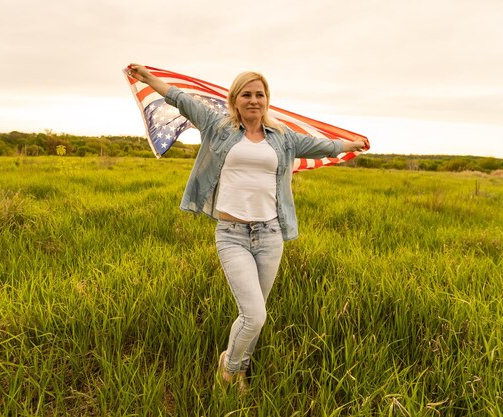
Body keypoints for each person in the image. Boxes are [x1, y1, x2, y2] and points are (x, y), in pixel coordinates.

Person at [127, 64, 368, 392]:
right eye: (247, 94)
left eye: (259, 94)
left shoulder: (282, 137)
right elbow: (180, 98)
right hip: (232, 235)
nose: (253, 100)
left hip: (270, 236)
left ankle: (239, 367)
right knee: (254, 315)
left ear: (267, 100)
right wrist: (148, 79)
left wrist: (349, 143)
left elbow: (320, 146)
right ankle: (230, 368)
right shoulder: (217, 126)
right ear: (235, 99)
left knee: (255, 315)